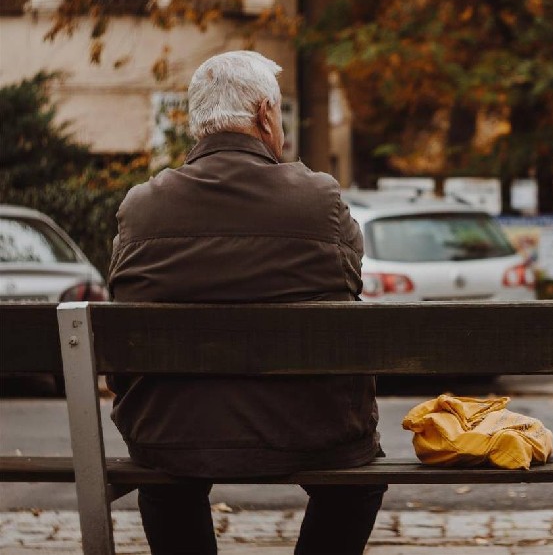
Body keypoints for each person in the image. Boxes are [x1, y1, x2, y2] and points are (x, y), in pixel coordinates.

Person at [107, 51, 384, 555]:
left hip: (171, 435)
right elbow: (349, 283)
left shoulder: (141, 207)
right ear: (264, 114)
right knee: (356, 482)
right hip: (311, 431)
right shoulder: (319, 200)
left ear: (197, 123)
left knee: (165, 479)